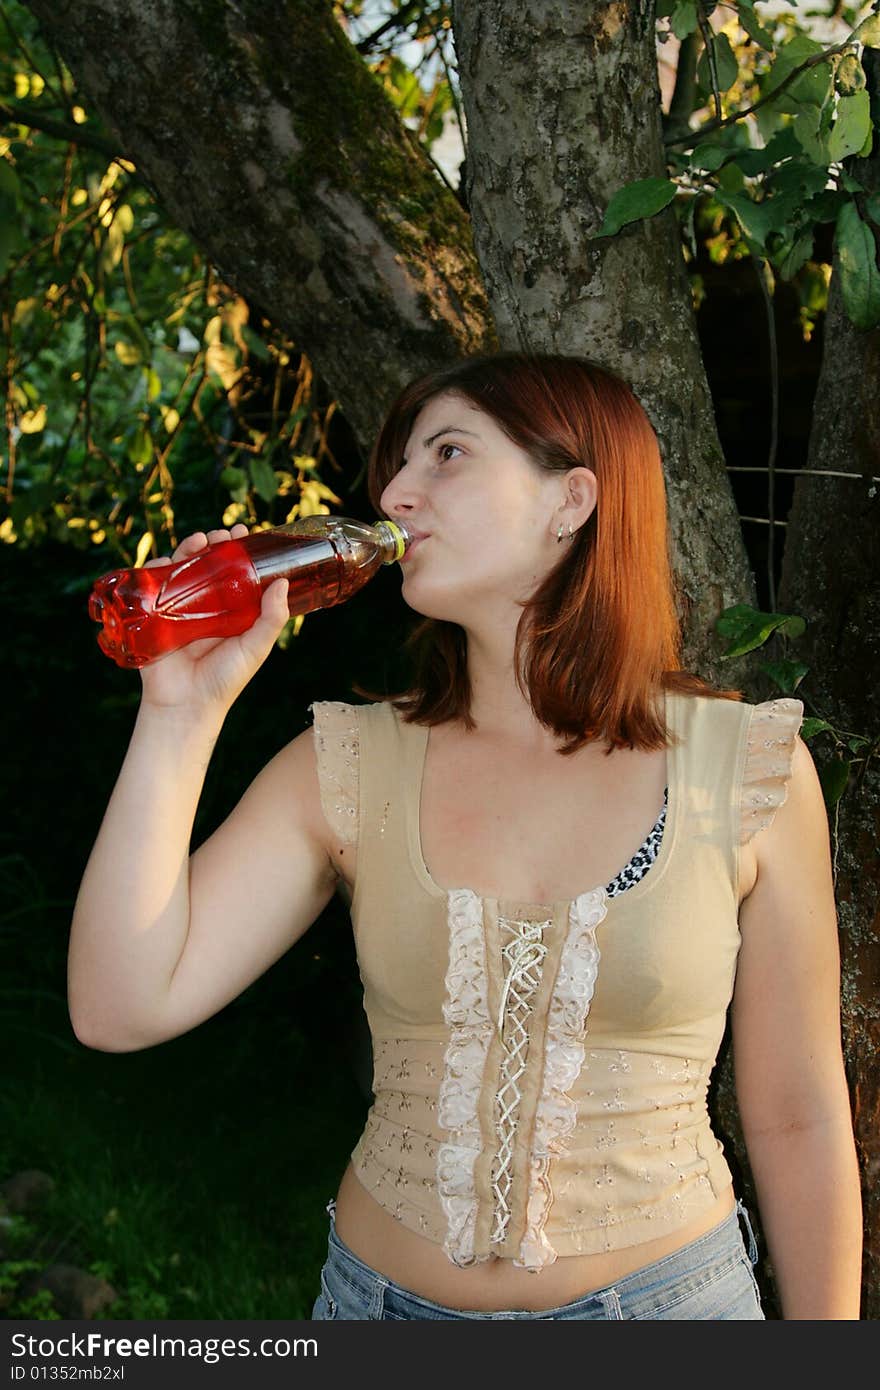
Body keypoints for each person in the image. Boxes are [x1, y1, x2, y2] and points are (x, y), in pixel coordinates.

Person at [68, 351, 863, 1321]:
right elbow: (117, 1006)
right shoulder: (347, 764)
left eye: (446, 453)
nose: (397, 489)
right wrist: (179, 714)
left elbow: (796, 1114)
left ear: (571, 501)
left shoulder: (747, 770)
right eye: (398, 464)